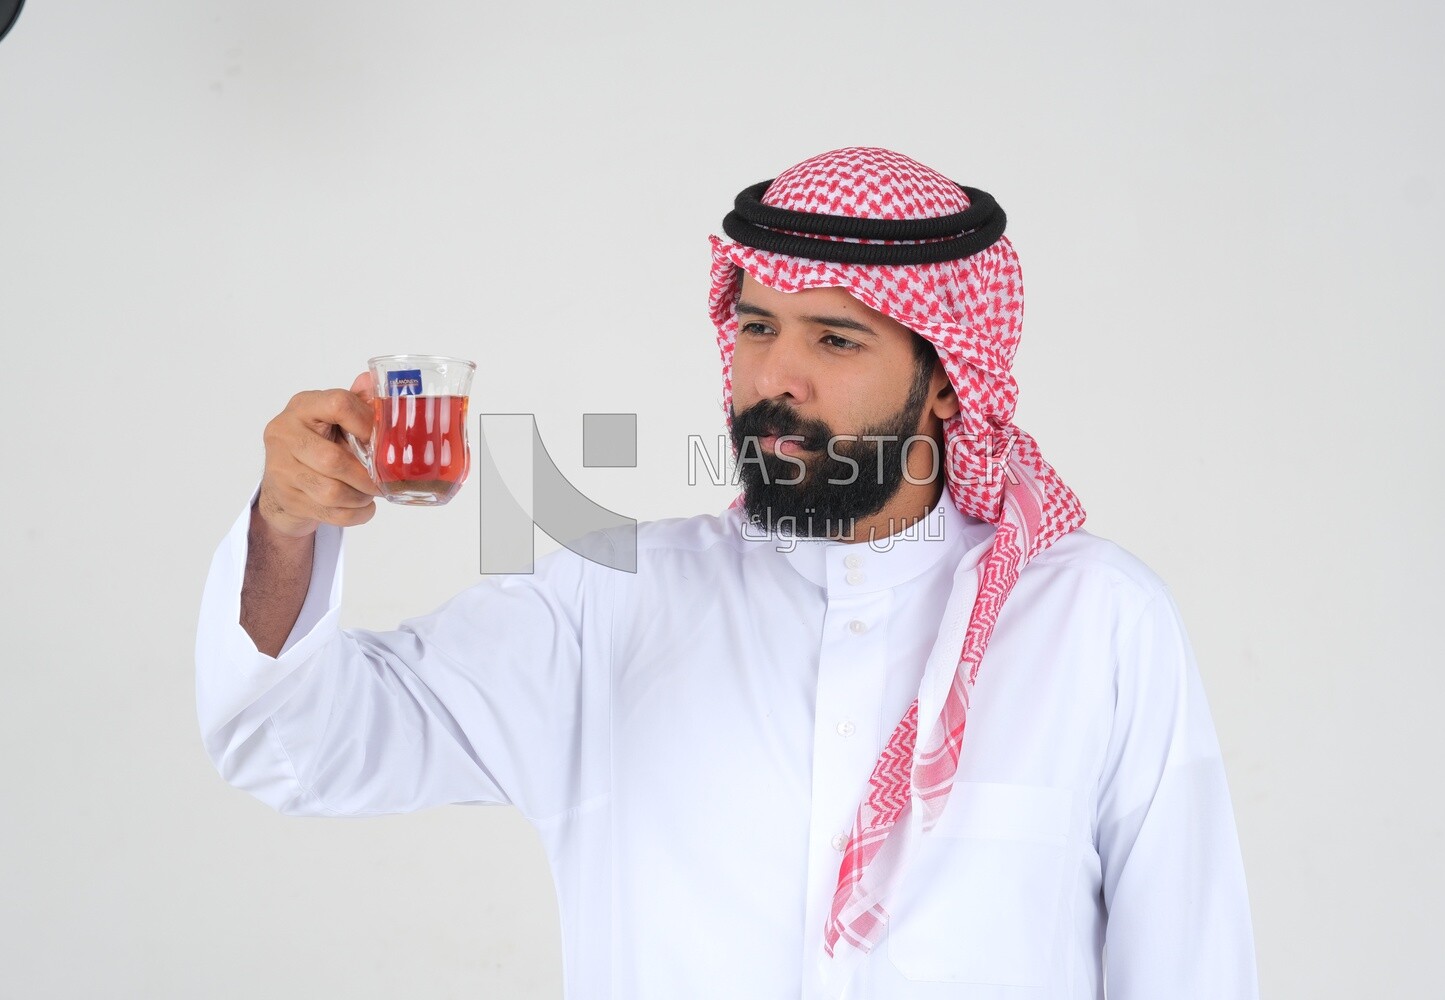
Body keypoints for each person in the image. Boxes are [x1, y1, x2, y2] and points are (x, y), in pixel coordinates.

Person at [197, 147, 1260, 999]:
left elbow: (1190, 966)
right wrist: (287, 527)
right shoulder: (618, 605)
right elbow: (294, 743)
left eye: (836, 341)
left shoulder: (1095, 622)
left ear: (947, 386)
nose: (773, 378)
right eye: (756, 327)